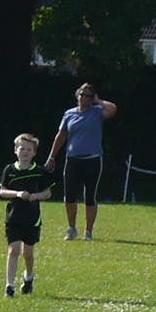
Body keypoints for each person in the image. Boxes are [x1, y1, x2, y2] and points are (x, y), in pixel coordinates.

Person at [44, 83, 118, 240]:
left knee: (90, 196)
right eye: (82, 94)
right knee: (69, 195)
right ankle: (71, 228)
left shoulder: (97, 112)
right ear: (77, 95)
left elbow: (112, 109)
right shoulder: (69, 114)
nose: (84, 98)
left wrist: (98, 101)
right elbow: (61, 136)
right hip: (73, 160)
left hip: (93, 160)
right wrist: (52, 156)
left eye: (88, 96)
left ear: (92, 98)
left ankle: (88, 231)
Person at [0, 132, 52, 296]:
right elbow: (2, 191)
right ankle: (9, 286)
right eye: (22, 148)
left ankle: (28, 277)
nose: (25, 152)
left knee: (27, 254)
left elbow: (48, 193)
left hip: (32, 219)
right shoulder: (10, 170)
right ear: (16, 150)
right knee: (13, 250)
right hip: (13, 217)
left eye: (29, 149)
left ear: (34, 153)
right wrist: (17, 194)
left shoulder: (40, 172)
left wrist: (35, 196)